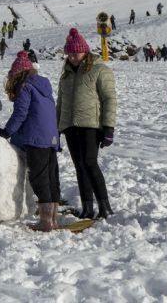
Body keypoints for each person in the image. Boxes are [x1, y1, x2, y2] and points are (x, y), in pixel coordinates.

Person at [0, 51, 61, 231]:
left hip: (36, 139)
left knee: (39, 178)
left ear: (18, 74)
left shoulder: (26, 87)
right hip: (51, 138)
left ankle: (45, 222)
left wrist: (5, 132)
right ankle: (53, 218)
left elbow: (21, 113)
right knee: (51, 177)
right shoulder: (43, 87)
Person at [56, 28, 117, 220]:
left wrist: (108, 127)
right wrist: (56, 127)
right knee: (79, 166)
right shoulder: (65, 74)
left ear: (85, 51)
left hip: (91, 124)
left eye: (77, 52)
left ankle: (105, 207)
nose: (73, 56)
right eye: (70, 53)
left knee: (90, 163)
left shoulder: (100, 70)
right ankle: (87, 208)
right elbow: (60, 102)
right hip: (70, 126)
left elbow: (109, 99)